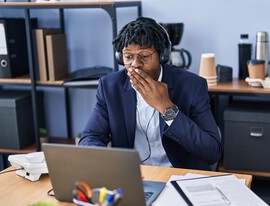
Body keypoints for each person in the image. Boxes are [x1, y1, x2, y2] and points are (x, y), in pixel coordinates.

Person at [79, 17, 222, 171]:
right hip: (134, 176)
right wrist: (104, 162)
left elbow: (212, 152)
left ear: (162, 56)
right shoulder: (109, 87)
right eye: (128, 57)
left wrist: (167, 108)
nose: (135, 64)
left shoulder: (192, 86)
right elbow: (91, 137)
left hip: (179, 175)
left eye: (144, 56)